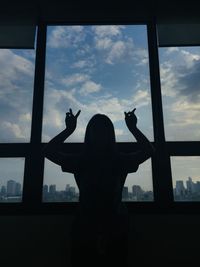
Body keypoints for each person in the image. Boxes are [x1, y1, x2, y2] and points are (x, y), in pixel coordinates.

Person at [44, 108, 154, 267]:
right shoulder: (115, 160)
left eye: (103, 130)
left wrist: (69, 130)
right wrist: (133, 128)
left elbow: (49, 151)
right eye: (97, 130)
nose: (100, 135)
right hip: (106, 228)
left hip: (95, 229)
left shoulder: (84, 161)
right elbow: (148, 151)